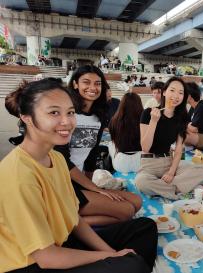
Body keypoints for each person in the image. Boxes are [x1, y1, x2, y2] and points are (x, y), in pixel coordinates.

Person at [1, 79, 158, 273]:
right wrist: (112, 257)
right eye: (53, 112)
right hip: (30, 264)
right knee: (131, 265)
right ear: (27, 118)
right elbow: (47, 258)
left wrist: (112, 253)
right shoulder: (18, 174)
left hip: (61, 242)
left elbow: (74, 219)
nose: (66, 122)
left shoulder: (56, 158)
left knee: (144, 228)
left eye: (70, 112)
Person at [54, 65, 142, 226]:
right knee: (127, 211)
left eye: (98, 83)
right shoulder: (67, 113)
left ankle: (71, 221)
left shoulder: (99, 116)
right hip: (59, 184)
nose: (92, 88)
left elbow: (92, 155)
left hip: (79, 181)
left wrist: (89, 187)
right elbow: (61, 159)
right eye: (86, 82)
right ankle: (63, 224)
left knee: (136, 201)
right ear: (75, 84)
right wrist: (95, 189)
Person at [134, 77, 203, 200]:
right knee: (141, 182)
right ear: (164, 92)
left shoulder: (181, 118)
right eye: (172, 90)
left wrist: (171, 172)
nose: (176, 96)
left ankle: (166, 188)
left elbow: (179, 149)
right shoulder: (148, 113)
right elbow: (145, 147)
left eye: (181, 93)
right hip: (149, 163)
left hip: (169, 162)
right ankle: (176, 188)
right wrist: (154, 121)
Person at [108, 93, 143, 173]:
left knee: (110, 143)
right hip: (141, 163)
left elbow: (113, 140)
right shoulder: (145, 120)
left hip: (120, 164)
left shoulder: (114, 120)